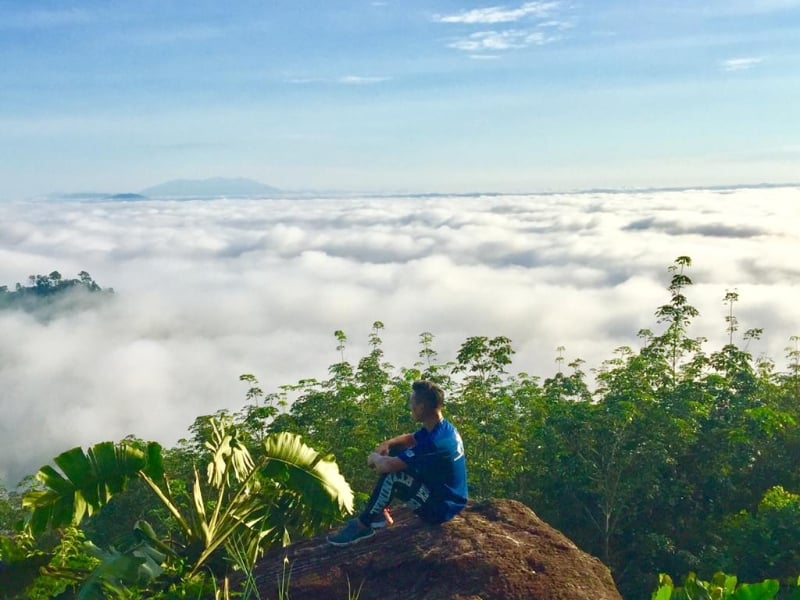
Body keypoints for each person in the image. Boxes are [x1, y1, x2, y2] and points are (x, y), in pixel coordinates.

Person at [327, 380, 468, 546]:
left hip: (441, 509)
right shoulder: (442, 428)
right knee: (396, 450)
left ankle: (363, 525)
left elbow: (389, 466)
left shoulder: (435, 443)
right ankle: (378, 514)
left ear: (421, 407)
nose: (410, 407)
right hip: (447, 495)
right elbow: (410, 439)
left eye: (412, 403)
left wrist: (374, 457)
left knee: (394, 476)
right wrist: (386, 444)